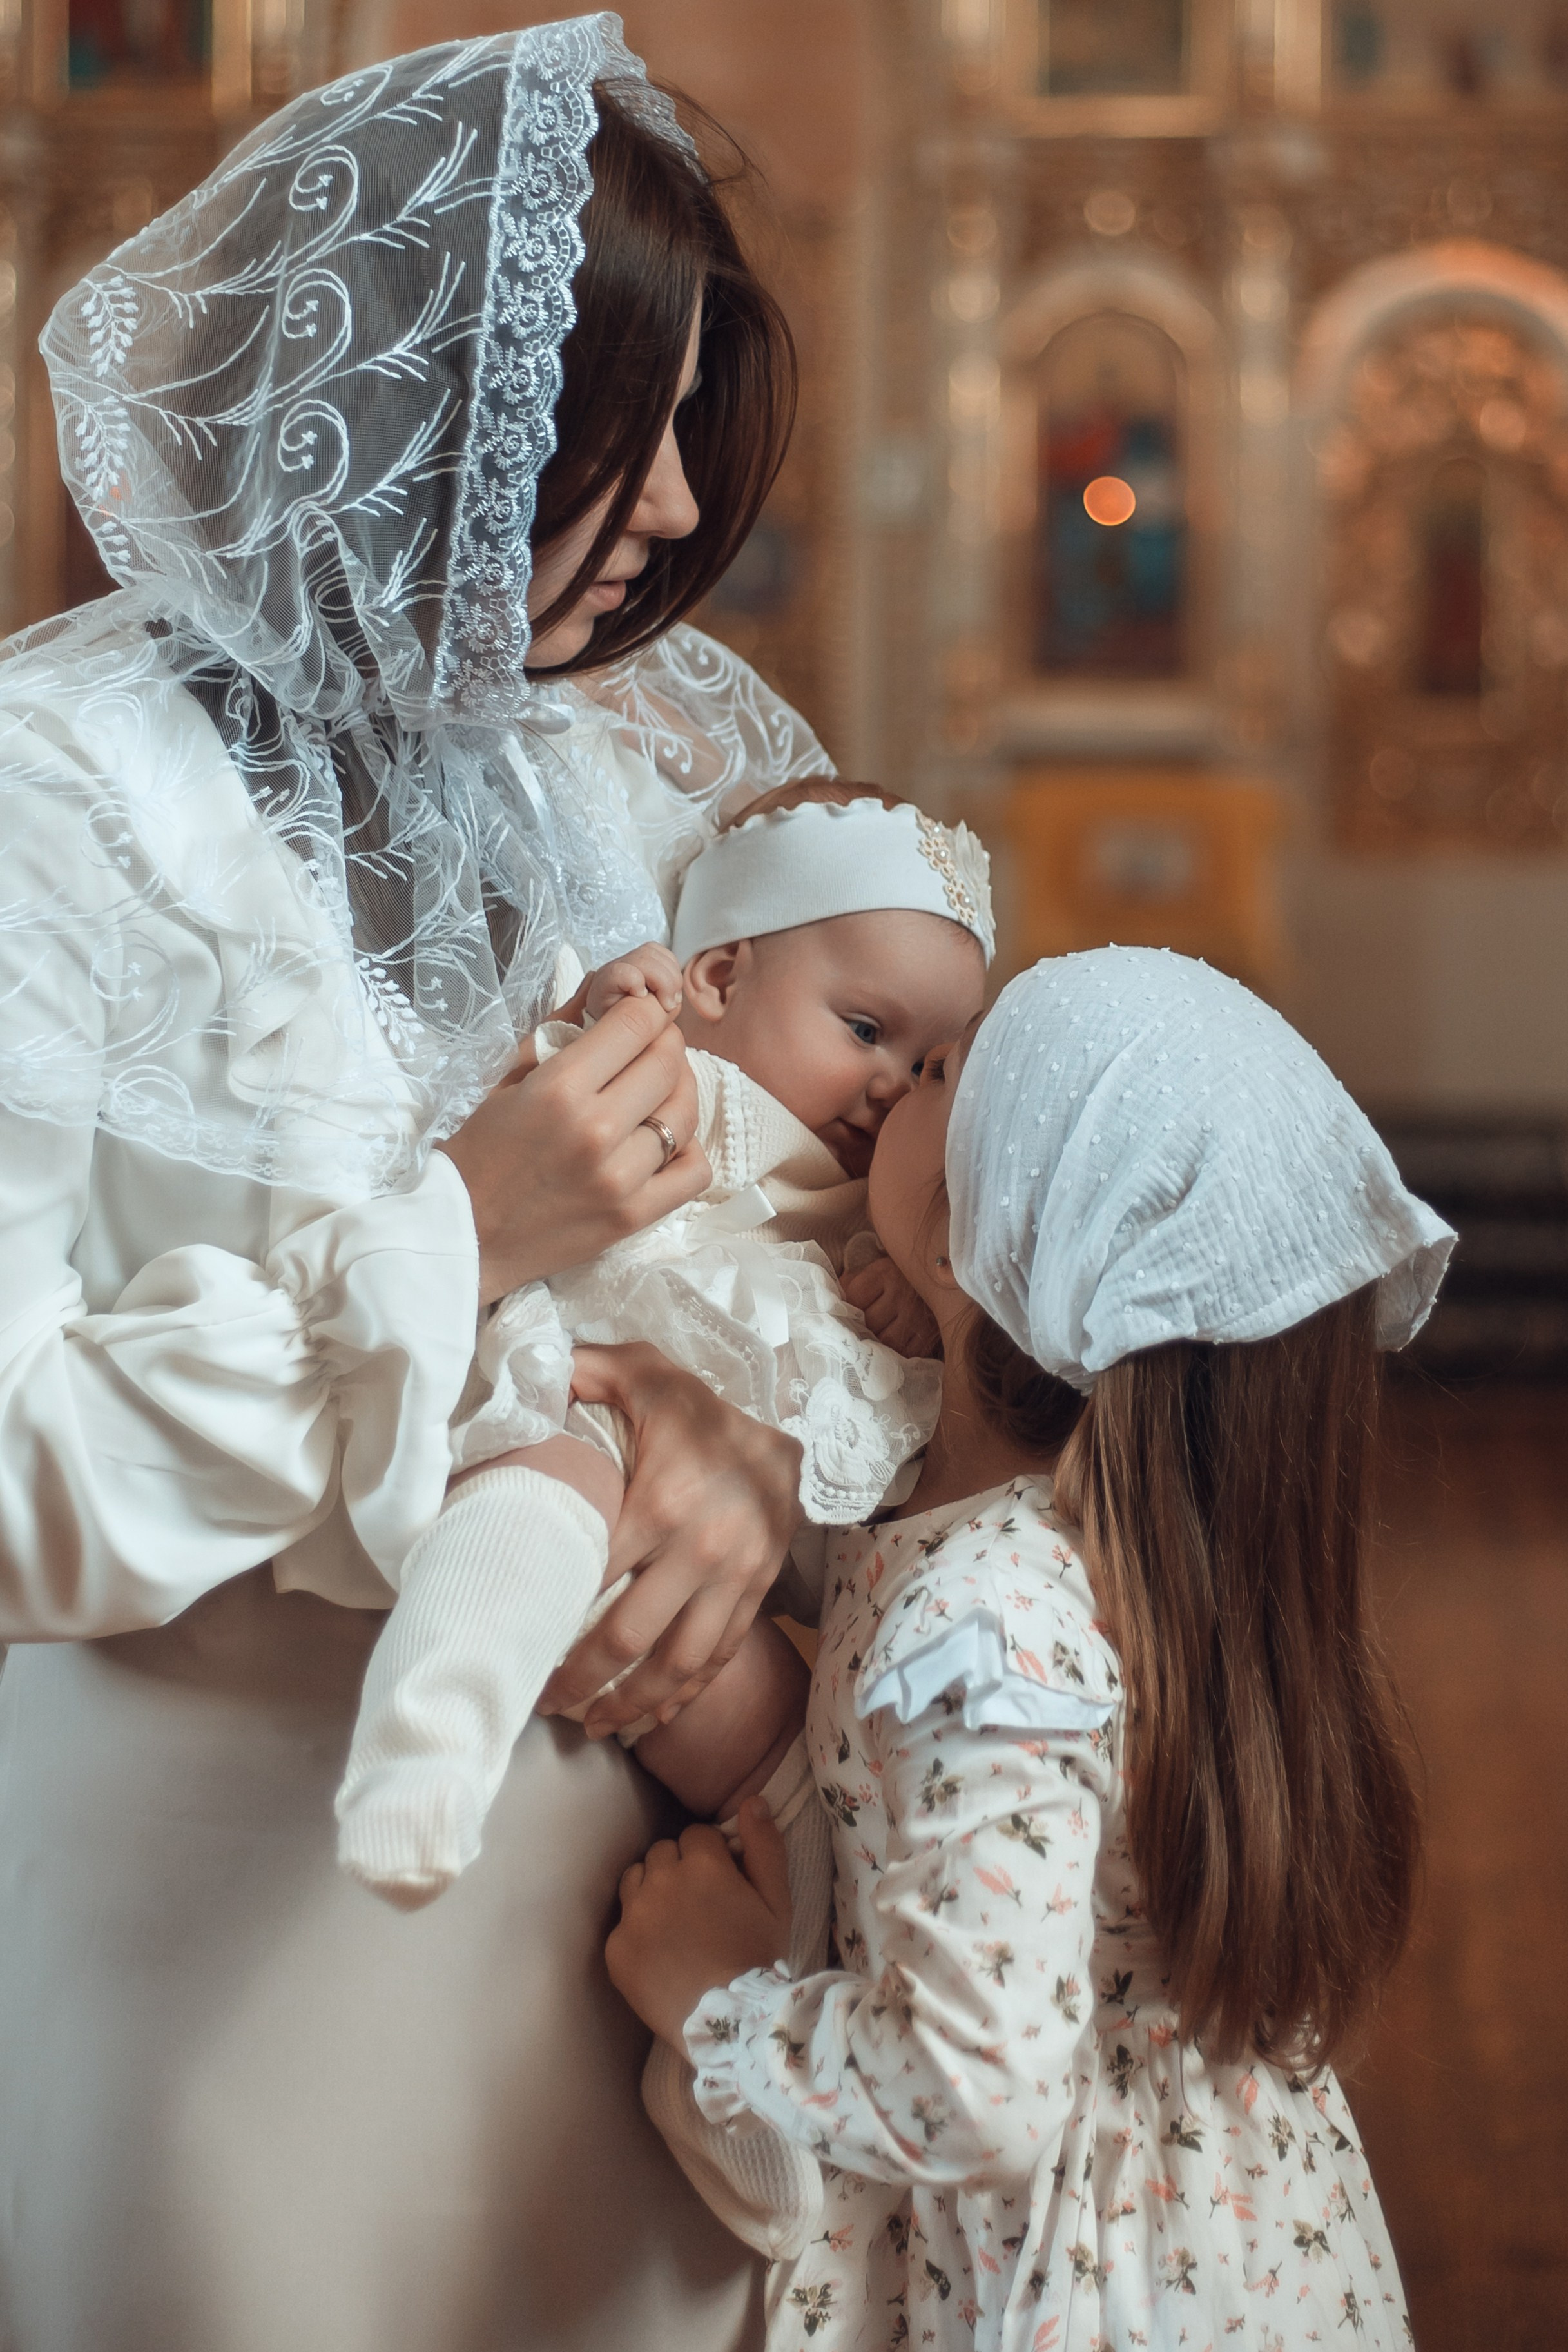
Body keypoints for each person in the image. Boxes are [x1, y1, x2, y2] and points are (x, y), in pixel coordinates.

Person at [0, 21, 835, 2351]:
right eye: (620, 423)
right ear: (399, 402)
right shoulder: (55, 799)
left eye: (692, 428)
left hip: (629, 1923)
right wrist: (461, 1229)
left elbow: (778, 1249)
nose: (676, 506)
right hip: (220, 1927)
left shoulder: (607, 785)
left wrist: (736, 1450)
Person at [605, 946, 1457, 2351]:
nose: (905, 1072)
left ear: (974, 1242)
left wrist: (724, 2002)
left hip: (1082, 2290)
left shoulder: (986, 1619)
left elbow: (975, 2090)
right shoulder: (1134, 1548)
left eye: (948, 1070)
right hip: (1234, 2250)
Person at [336, 782, 992, 1911]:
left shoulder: (877, 1190)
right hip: (599, 1399)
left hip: (743, 1549)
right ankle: (427, 1752)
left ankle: (812, 1924)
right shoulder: (682, 1080)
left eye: (932, 1064)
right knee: (543, 1487)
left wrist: (901, 1292)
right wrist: (603, 1013)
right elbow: (534, 1104)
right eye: (864, 1030)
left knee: (773, 1731)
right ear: (722, 978)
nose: (892, 1085)